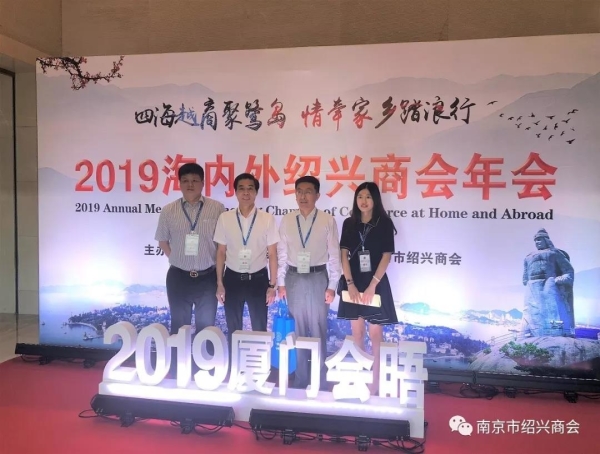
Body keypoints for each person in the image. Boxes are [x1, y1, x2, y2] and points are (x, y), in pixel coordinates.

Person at [277, 176, 341, 390]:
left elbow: (334, 255)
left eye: (308, 191)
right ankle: (301, 378)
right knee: (298, 329)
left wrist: (332, 285)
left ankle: (319, 379)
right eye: (299, 192)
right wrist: (281, 282)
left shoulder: (327, 220)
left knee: (318, 328)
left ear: (317, 195)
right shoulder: (287, 220)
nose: (303, 196)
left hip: (317, 278)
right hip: (293, 278)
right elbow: (282, 253)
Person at [337, 182, 398, 395]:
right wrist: (350, 283)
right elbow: (343, 255)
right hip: (353, 282)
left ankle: (375, 382)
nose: (363, 201)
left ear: (375, 200)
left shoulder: (384, 223)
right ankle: (360, 378)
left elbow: (386, 256)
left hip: (376, 283)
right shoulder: (349, 223)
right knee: (357, 333)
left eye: (368, 197)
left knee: (375, 335)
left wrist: (373, 285)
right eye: (360, 197)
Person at [155, 163, 225, 339]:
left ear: (203, 183)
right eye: (185, 180)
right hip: (178, 278)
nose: (190, 184)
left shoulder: (217, 208)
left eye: (195, 180)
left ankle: (205, 358)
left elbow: (222, 245)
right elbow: (163, 241)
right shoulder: (168, 210)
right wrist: (177, 259)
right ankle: (178, 358)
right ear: (179, 183)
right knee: (179, 329)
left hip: (208, 279)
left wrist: (219, 280)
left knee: (207, 330)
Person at [214, 173, 279, 349]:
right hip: (232, 279)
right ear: (235, 192)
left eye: (250, 188)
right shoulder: (225, 218)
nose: (246, 192)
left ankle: (259, 364)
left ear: (256, 192)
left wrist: (272, 285)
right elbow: (221, 252)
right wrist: (219, 283)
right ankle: (234, 363)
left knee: (260, 328)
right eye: (241, 188)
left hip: (258, 279)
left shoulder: (267, 219)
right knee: (233, 329)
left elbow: (273, 254)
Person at [521, 228, 575, 337]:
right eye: (536, 240)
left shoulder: (554, 253)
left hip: (549, 284)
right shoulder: (528, 257)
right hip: (532, 286)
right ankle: (529, 333)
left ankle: (556, 334)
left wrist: (557, 280)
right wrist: (527, 282)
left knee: (552, 311)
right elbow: (525, 276)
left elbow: (569, 271)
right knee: (530, 312)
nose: (537, 242)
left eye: (540, 239)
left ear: (546, 240)